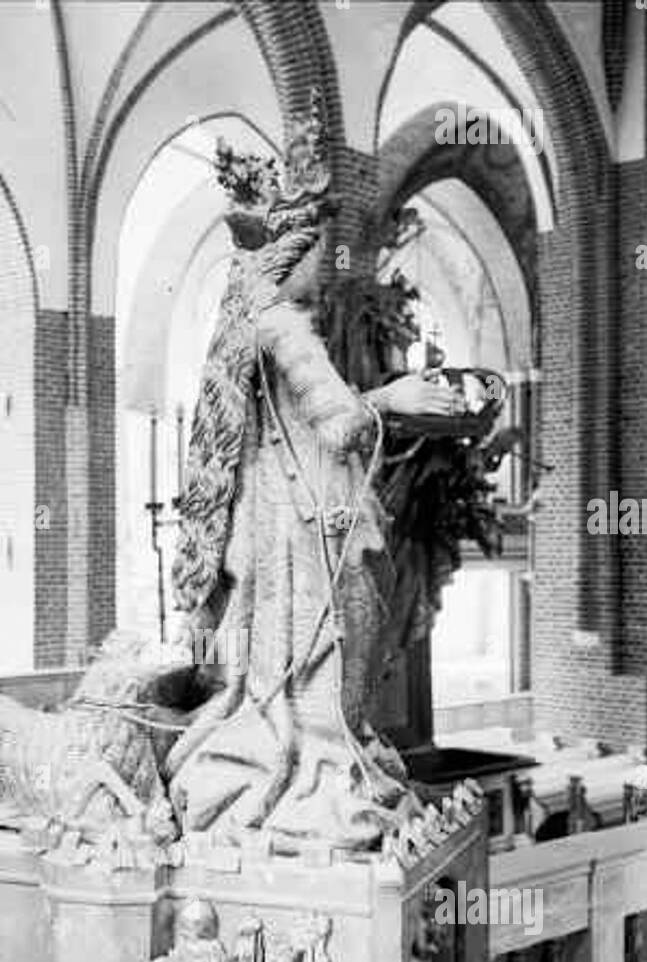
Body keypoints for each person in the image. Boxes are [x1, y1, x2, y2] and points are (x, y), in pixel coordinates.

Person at [167, 102, 464, 851]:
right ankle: (317, 769)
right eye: (314, 248)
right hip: (304, 523)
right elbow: (339, 422)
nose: (319, 262)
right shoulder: (282, 325)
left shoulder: (252, 319)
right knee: (337, 634)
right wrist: (395, 399)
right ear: (290, 248)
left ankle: (308, 752)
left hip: (279, 518)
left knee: (302, 645)